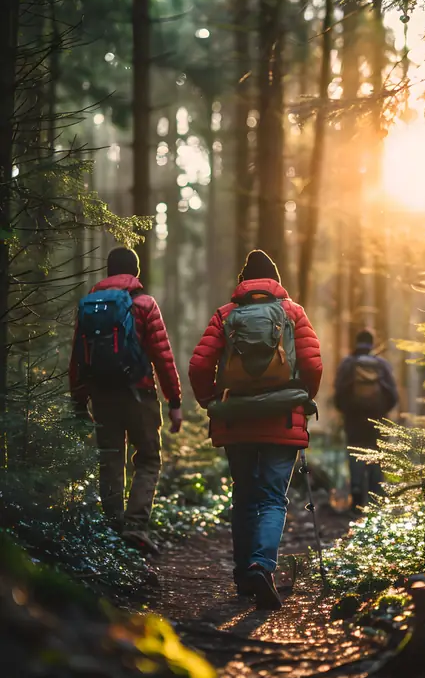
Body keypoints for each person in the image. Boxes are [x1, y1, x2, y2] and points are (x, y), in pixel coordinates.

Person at [189, 249, 322, 610]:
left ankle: (243, 575)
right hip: (283, 414)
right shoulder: (292, 312)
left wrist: (211, 401)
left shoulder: (226, 314)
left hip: (237, 417)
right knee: (272, 497)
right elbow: (312, 362)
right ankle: (261, 565)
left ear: (242, 282)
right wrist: (302, 397)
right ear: (276, 281)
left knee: (245, 494)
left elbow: (199, 365)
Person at [69, 247, 182, 552]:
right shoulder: (144, 304)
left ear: (108, 271)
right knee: (147, 459)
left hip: (102, 395)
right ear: (136, 272)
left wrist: (79, 399)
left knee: (110, 459)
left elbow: (77, 357)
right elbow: (163, 355)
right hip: (139, 393)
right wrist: (174, 401)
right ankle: (135, 526)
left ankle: (112, 529)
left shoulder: (89, 305)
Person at [334, 329, 399, 512]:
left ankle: (356, 494)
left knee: (355, 451)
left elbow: (338, 392)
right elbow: (393, 394)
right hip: (377, 418)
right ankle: (375, 497)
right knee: (376, 453)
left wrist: (346, 411)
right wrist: (381, 411)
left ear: (357, 342)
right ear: (372, 343)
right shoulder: (381, 365)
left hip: (353, 418)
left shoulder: (348, 364)